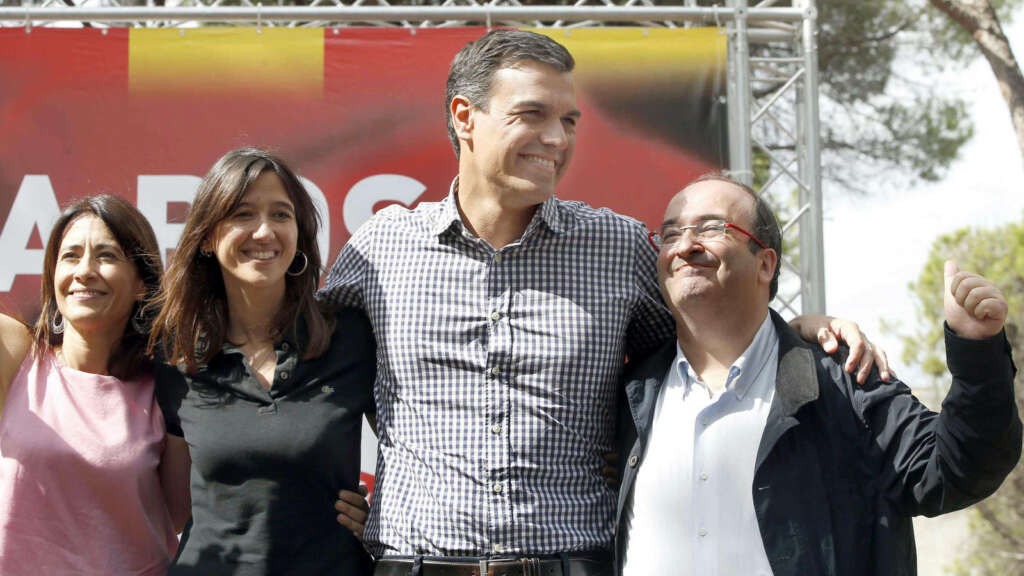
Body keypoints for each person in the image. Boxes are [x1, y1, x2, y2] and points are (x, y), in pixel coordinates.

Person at [322, 29, 888, 575]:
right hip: (412, 564)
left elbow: (713, 342)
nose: (558, 140)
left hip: (575, 563)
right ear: (465, 117)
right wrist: (323, 487)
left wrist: (798, 329)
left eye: (568, 121)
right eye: (533, 115)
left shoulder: (617, 247)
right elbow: (301, 369)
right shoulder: (383, 247)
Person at [615, 173, 1021, 576]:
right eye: (670, 234)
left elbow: (954, 468)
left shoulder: (845, 380)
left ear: (765, 264)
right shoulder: (630, 395)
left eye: (711, 228)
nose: (685, 246)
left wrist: (977, 348)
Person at [150, 148, 375, 575]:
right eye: (242, 214)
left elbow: (421, 450)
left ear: (300, 233)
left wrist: (387, 519)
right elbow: (176, 507)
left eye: (280, 214)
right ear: (206, 238)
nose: (264, 231)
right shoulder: (177, 352)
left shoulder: (350, 336)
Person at [0, 195, 190, 575]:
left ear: (141, 284)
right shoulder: (17, 353)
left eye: (106, 255)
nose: (84, 270)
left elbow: (181, 513)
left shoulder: (166, 387)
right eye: (70, 256)